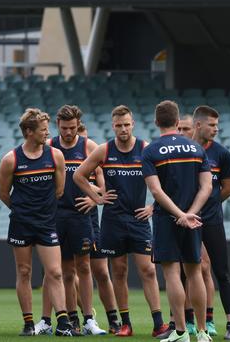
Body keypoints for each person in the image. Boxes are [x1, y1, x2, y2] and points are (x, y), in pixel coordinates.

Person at [74, 105, 169, 337]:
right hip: (113, 220)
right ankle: (125, 323)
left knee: (148, 270)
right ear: (113, 126)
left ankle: (158, 323)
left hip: (138, 219)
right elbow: (78, 175)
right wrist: (97, 197)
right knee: (118, 271)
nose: (123, 129)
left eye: (127, 124)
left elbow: (167, 180)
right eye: (119, 125)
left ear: (133, 124)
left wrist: (153, 207)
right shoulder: (104, 151)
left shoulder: (146, 149)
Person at [0, 108, 78, 336]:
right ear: (29, 132)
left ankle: (62, 322)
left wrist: (41, 211)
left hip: (46, 223)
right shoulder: (11, 159)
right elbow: (4, 194)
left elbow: (59, 190)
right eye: (43, 130)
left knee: (55, 272)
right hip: (21, 224)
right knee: (24, 271)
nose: (47, 133)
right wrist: (23, 211)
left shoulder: (55, 156)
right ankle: (28, 323)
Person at [143, 100, 212, 342]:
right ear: (176, 122)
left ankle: (181, 332)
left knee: (172, 274)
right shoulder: (196, 149)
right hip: (194, 220)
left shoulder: (150, 151)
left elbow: (156, 192)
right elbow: (207, 186)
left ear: (156, 122)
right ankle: (203, 332)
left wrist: (179, 215)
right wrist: (190, 212)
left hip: (166, 220)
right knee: (195, 273)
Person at [47, 105, 106, 335]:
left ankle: (89, 318)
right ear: (57, 126)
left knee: (84, 267)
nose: (69, 132)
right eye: (64, 128)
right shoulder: (50, 147)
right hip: (57, 216)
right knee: (66, 271)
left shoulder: (88, 146)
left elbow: (104, 184)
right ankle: (72, 320)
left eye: (72, 128)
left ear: (78, 125)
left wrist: (94, 200)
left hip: (81, 216)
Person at [191, 105, 230, 340]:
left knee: (222, 271)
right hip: (187, 221)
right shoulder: (185, 150)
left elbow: (228, 188)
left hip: (212, 220)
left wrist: (209, 203)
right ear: (198, 125)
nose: (216, 129)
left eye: (217, 125)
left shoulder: (221, 153)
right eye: (212, 125)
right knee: (185, 271)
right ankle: (184, 323)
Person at [78, 123, 121, 334]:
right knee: (68, 272)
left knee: (101, 272)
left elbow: (104, 189)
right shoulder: (63, 157)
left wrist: (94, 199)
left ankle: (113, 319)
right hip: (67, 220)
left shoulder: (95, 161)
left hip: (92, 221)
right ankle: (83, 315)